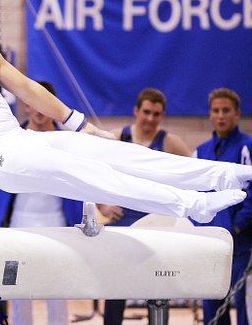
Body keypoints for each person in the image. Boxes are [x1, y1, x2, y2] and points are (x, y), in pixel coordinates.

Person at [0, 5, 252, 235]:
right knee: (88, 174)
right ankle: (191, 205)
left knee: (115, 153)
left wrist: (78, 123)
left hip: (24, 140)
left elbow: (28, 88)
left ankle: (217, 174)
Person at [0, 81, 83, 325]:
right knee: (19, 290)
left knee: (58, 291)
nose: (40, 111)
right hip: (19, 223)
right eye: (34, 104)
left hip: (59, 224)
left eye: (44, 105)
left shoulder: (67, 144)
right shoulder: (9, 139)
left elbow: (80, 184)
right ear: (26, 105)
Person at [101, 87, 191, 325]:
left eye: (156, 114)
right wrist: (102, 205)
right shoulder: (116, 137)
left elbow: (194, 177)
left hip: (156, 224)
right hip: (122, 220)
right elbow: (90, 174)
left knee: (159, 285)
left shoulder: (171, 143)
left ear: (162, 116)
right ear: (136, 111)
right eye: (147, 112)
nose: (151, 119)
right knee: (115, 287)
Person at [192, 88, 252, 325]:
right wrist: (200, 228)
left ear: (237, 114)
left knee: (247, 305)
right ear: (210, 115)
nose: (221, 116)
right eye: (216, 111)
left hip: (241, 242)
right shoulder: (200, 152)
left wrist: (237, 226)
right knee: (212, 306)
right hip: (210, 244)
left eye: (226, 110)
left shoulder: (250, 148)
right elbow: (193, 194)